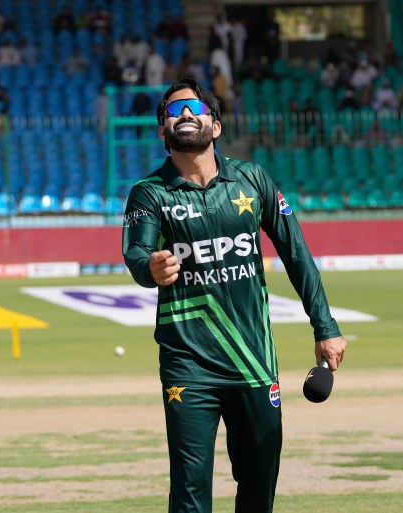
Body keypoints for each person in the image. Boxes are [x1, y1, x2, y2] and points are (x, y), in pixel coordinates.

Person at [121, 78, 346, 513]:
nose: (185, 114)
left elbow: (297, 255)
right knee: (189, 493)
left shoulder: (252, 180)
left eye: (194, 107)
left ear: (216, 126)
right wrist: (150, 267)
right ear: (162, 131)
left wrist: (326, 326)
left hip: (253, 361)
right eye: (173, 110)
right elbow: (136, 253)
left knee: (259, 485)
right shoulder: (149, 193)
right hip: (188, 364)